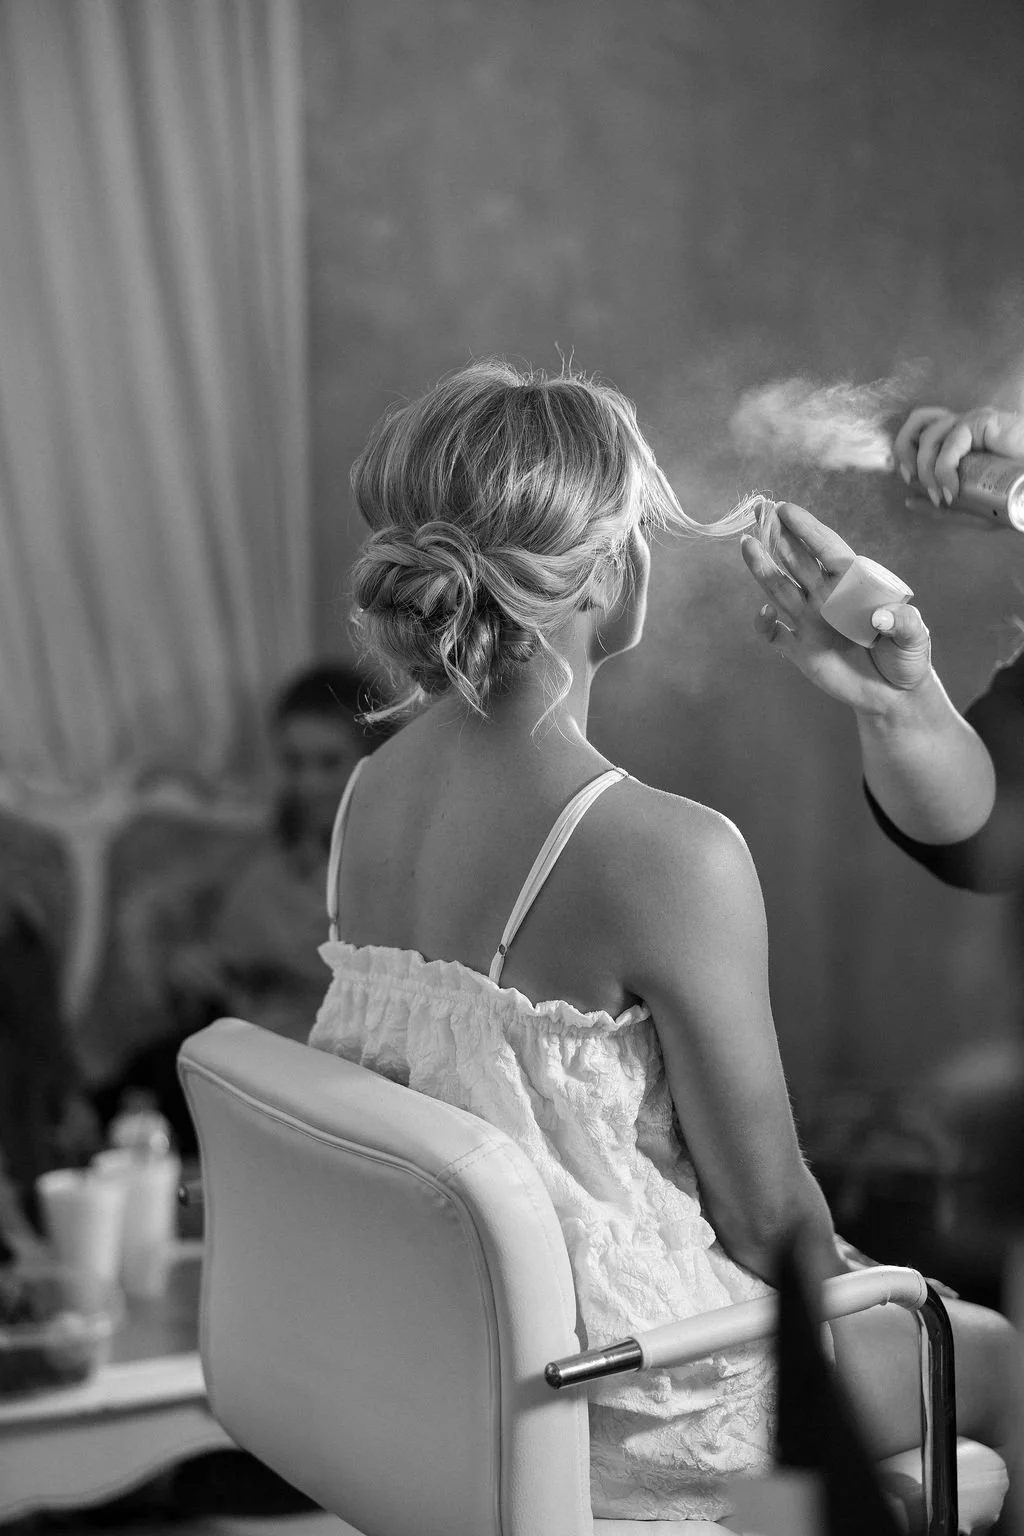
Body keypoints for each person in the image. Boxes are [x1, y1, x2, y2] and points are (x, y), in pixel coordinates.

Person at [308, 360, 1015, 1523]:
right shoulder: (666, 851)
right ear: (604, 574)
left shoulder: (365, 796)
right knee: (999, 1357)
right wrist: (883, 1284)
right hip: (621, 1391)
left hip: (447, 1363)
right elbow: (771, 1225)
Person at [96, 663, 385, 1156]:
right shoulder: (268, 860)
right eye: (294, 763)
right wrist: (193, 966)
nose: (309, 783)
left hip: (323, 1071)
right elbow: (226, 951)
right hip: (238, 1049)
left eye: (328, 763)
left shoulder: (385, 862)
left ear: (368, 759)